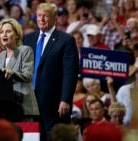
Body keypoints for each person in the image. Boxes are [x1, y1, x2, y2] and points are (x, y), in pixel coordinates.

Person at [23, 3, 79, 140]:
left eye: (45, 16)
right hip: (29, 102)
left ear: (54, 18)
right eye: (39, 16)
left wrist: (65, 99)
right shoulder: (28, 39)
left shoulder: (66, 40)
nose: (41, 19)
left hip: (53, 104)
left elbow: (70, 73)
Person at [0, 18, 39, 119]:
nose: (4, 35)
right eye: (1, 32)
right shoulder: (1, 56)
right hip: (7, 105)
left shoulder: (25, 50)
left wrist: (12, 73)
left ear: (17, 35)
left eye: (8, 31)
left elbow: (28, 76)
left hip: (23, 105)